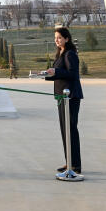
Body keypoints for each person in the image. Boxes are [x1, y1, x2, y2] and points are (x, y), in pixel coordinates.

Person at [45, 26, 84, 175]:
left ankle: (75, 165)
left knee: (70, 129)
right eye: (55, 38)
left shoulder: (70, 54)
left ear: (66, 39)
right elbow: (60, 74)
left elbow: (73, 74)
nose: (57, 40)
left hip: (71, 97)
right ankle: (69, 162)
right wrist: (46, 74)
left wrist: (56, 71)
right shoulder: (60, 53)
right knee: (64, 130)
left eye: (59, 37)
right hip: (62, 97)